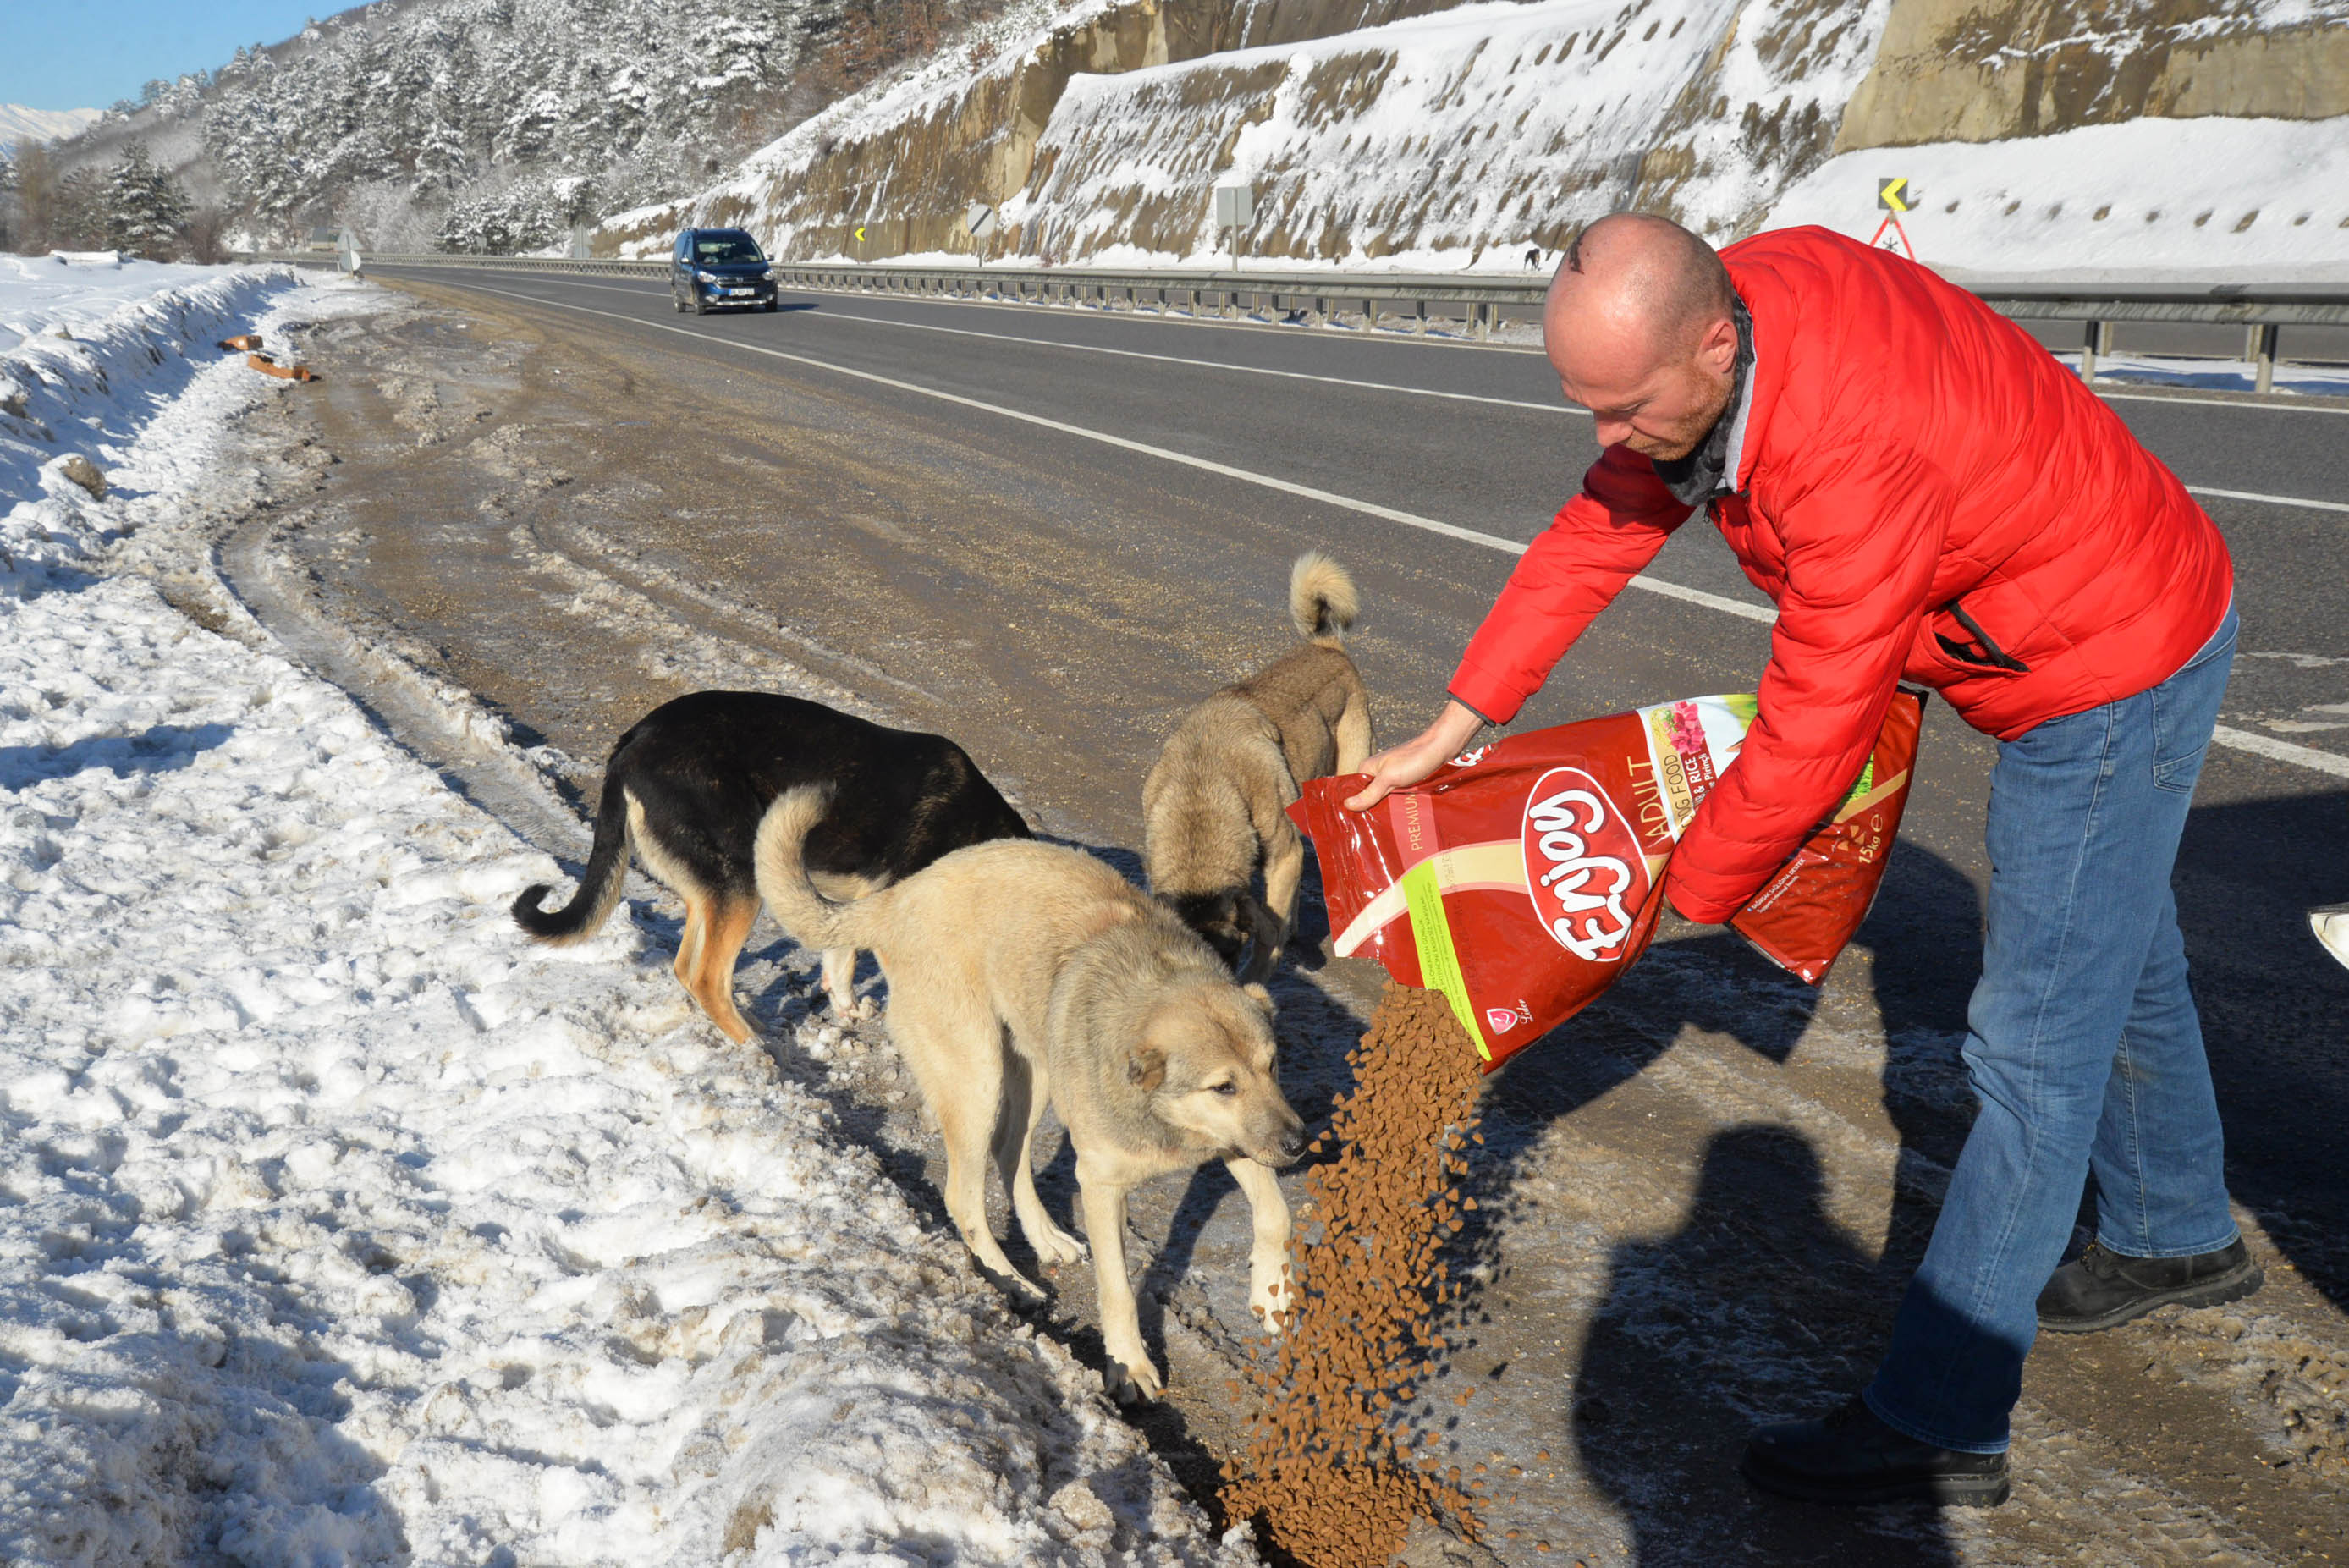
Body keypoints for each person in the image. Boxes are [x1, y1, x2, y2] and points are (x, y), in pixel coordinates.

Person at [1345, 213, 2258, 1505]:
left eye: (1626, 407)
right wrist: (1459, 723)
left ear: (1715, 344)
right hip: (2061, 608)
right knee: (2112, 944)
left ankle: (1944, 1417)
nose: (1607, 439)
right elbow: (1594, 530)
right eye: (1584, 405)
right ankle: (2175, 1233)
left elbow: (1810, 734)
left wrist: (1671, 895)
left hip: (2108, 658)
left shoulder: (1847, 452)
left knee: (2032, 1040)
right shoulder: (1724, 345)